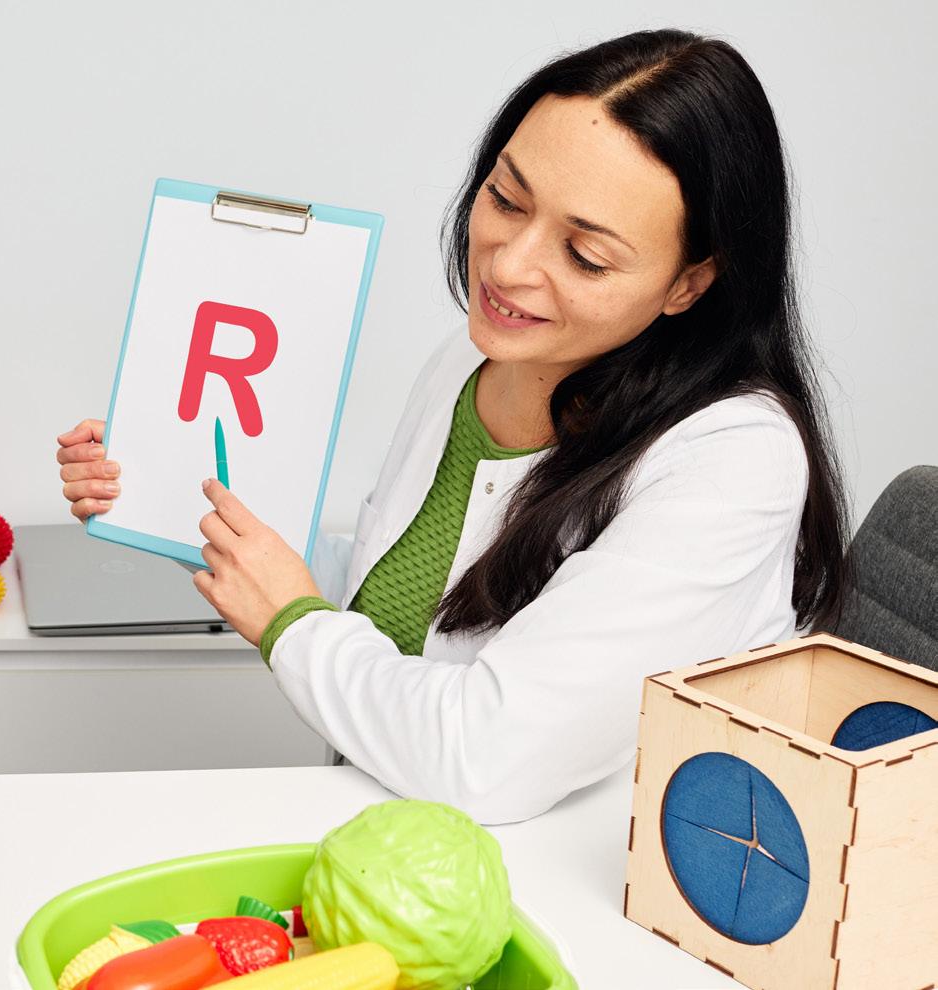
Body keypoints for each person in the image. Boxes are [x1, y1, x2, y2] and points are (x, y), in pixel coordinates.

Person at [56, 29, 847, 824]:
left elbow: (485, 758)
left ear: (689, 283)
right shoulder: (474, 360)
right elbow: (387, 599)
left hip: (557, 878)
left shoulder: (735, 461)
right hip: (395, 840)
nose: (507, 266)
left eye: (584, 255)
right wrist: (175, 494)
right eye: (506, 200)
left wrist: (290, 623)